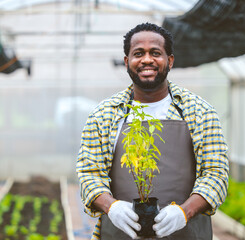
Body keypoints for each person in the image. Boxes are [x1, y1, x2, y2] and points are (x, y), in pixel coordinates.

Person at [76, 22, 229, 239]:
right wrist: (112, 207)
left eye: (155, 53)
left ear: (170, 60)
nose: (147, 59)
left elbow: (216, 173)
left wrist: (184, 212)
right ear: (127, 62)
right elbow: (89, 172)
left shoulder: (199, 111)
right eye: (139, 53)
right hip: (121, 234)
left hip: (187, 233)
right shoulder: (104, 114)